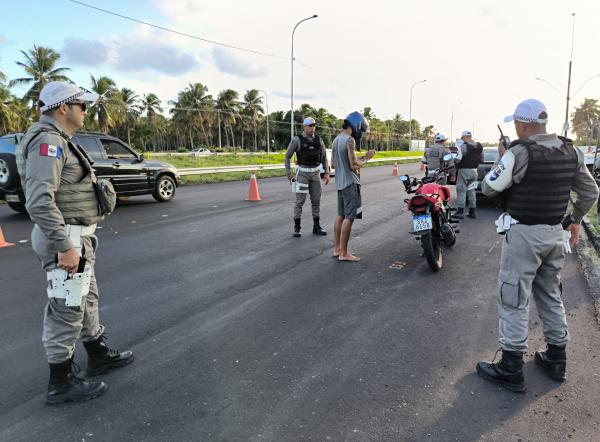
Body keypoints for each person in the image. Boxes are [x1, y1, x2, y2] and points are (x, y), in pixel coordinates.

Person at [16, 81, 134, 404]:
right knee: (66, 309)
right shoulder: (48, 144)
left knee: (87, 299)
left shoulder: (61, 141)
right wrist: (65, 247)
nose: (85, 110)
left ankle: (97, 354)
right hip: (64, 239)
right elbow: (39, 200)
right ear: (63, 108)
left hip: (76, 238)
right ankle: (61, 381)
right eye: (81, 104)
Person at [476, 99, 598, 392]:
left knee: (514, 297)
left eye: (517, 124)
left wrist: (503, 157)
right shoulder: (571, 150)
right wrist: (575, 219)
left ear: (524, 125)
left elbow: (489, 188)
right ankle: (557, 359)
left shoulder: (518, 152)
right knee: (550, 294)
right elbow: (590, 191)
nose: (516, 129)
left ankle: (511, 366)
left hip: (524, 237)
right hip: (556, 234)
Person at [331, 111, 375, 262]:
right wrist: (367, 158)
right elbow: (353, 165)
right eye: (361, 129)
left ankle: (337, 249)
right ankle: (344, 253)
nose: (360, 133)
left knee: (340, 216)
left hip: (339, 183)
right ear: (356, 125)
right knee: (349, 217)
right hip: (350, 183)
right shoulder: (349, 140)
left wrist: (360, 158)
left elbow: (332, 165)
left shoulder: (336, 139)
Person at [285, 117, 330, 237]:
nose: (312, 127)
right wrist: (288, 172)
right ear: (304, 127)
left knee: (316, 201)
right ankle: (297, 227)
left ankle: (316, 226)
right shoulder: (297, 140)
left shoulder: (319, 140)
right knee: (300, 201)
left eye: (314, 125)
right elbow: (287, 156)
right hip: (302, 174)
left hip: (315, 174)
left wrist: (326, 173)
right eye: (310, 125)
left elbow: (324, 157)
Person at [453, 130, 484, 219]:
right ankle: (472, 212)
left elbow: (458, 158)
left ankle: (460, 212)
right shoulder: (478, 146)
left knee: (461, 190)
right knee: (471, 191)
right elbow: (482, 159)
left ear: (463, 137)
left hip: (464, 171)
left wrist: (455, 163)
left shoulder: (462, 146)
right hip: (474, 171)